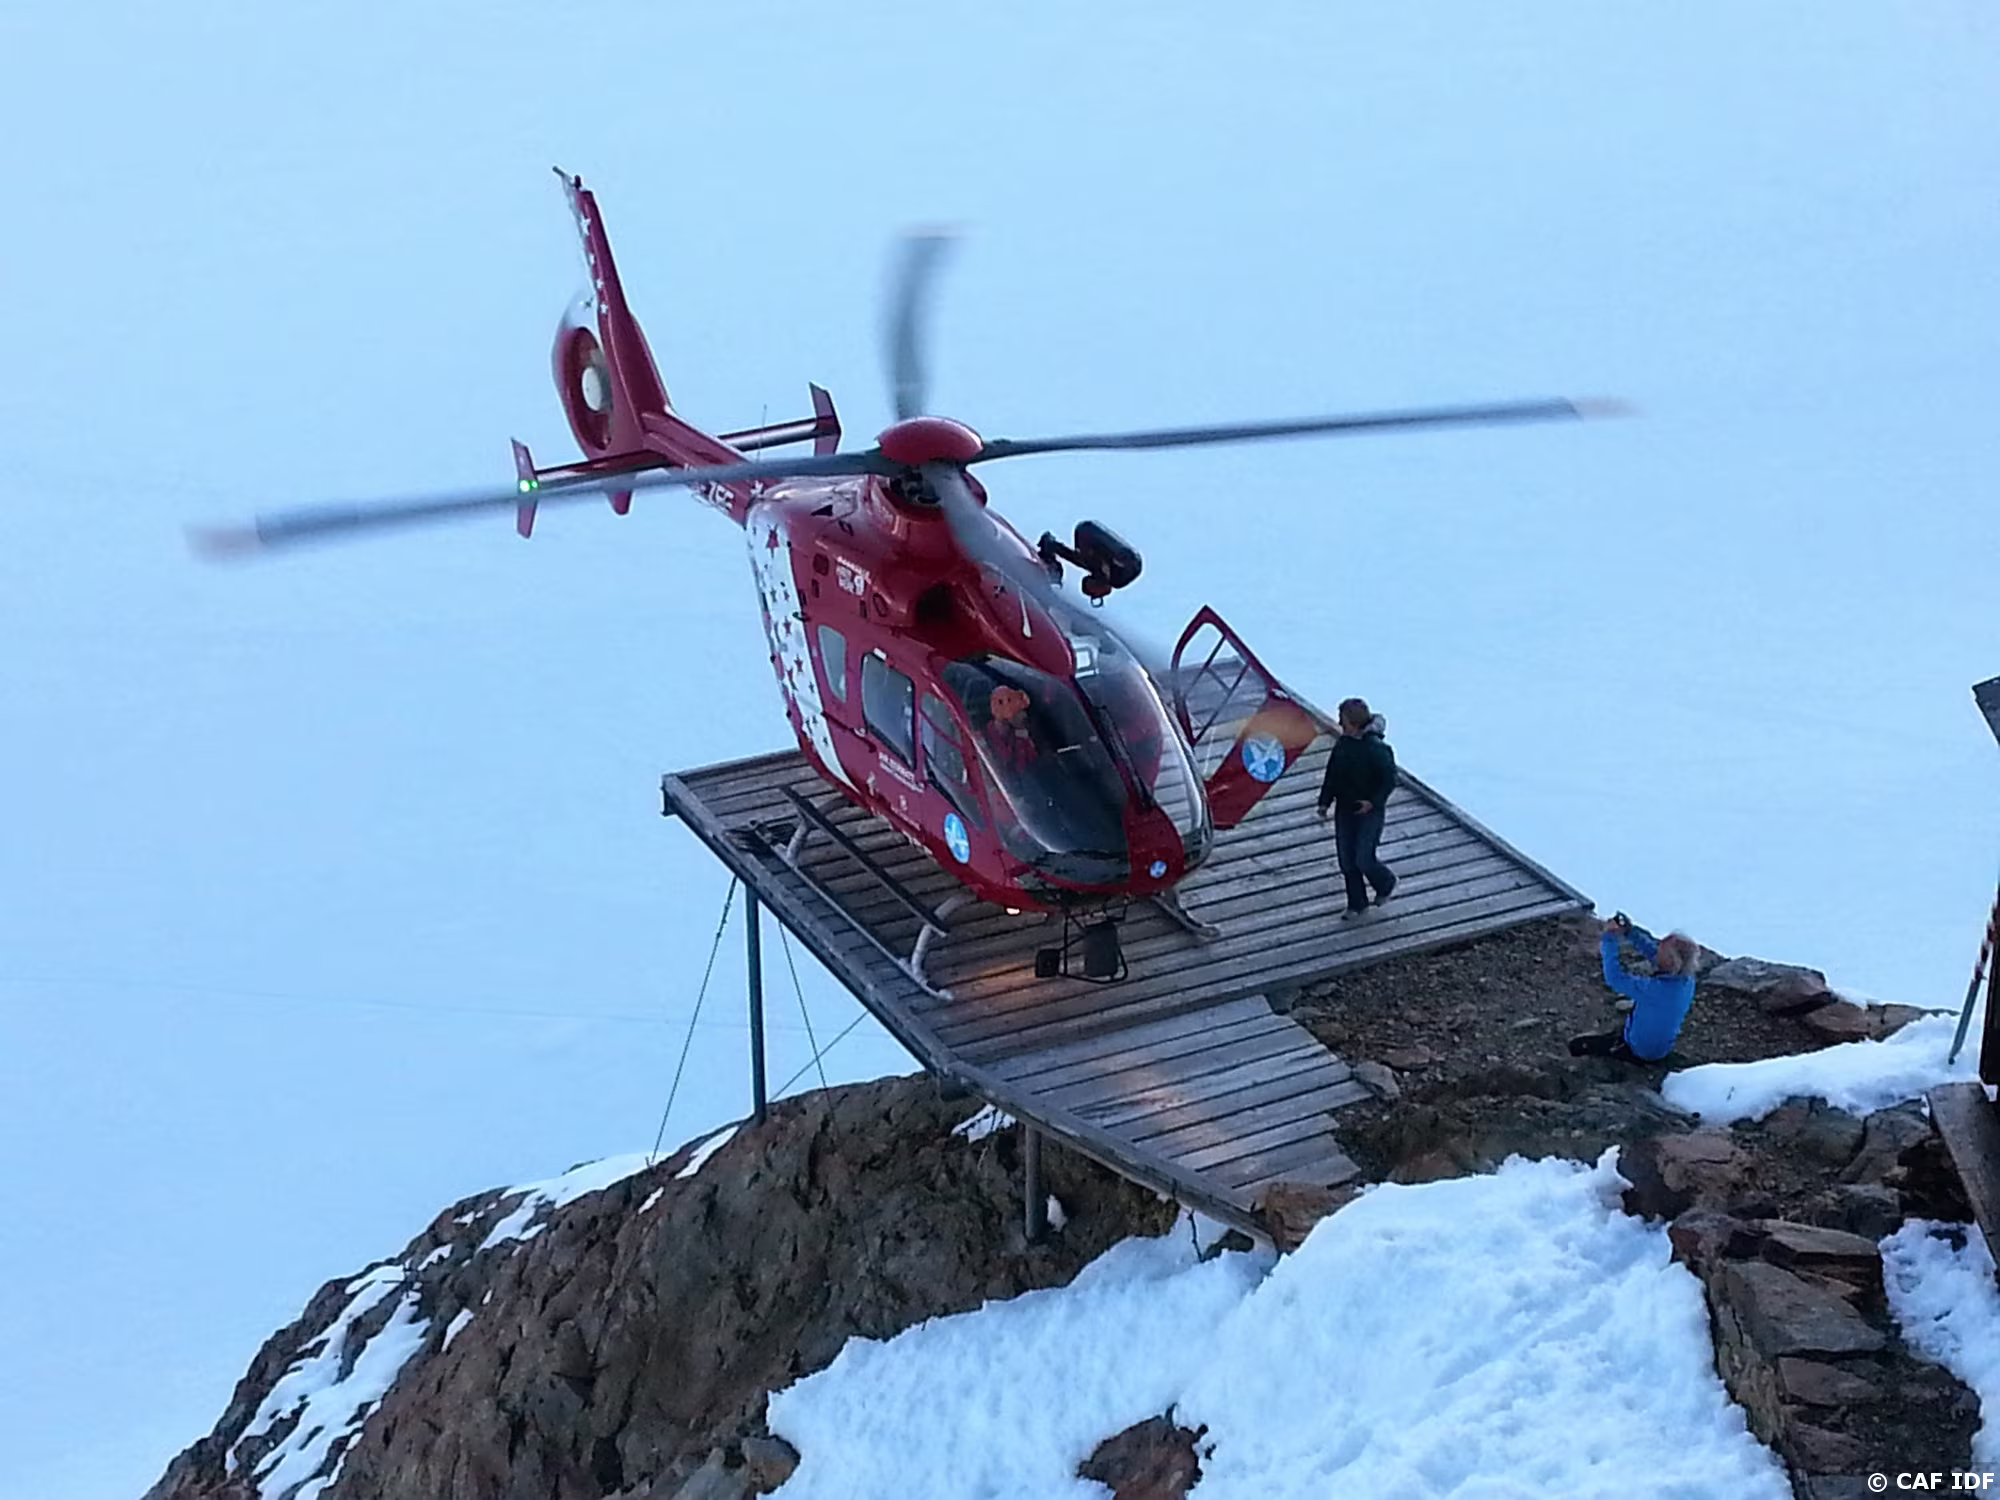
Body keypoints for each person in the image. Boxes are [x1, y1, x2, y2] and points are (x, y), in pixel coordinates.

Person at [1568, 915, 1699, 1062]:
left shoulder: (1655, 989)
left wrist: (1609, 939)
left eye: (1661, 951)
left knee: (1577, 1045)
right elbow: (1657, 957)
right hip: (1663, 1047)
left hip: (1640, 1050)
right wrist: (1630, 932)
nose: (1657, 952)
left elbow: (1615, 978)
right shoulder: (1687, 981)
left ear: (1670, 961)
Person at [1315, 698, 1397, 918]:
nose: (1340, 724)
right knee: (1347, 860)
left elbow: (1389, 779)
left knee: (1364, 858)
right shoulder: (1343, 745)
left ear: (1354, 722)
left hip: (1369, 812)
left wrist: (1373, 802)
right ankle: (1357, 903)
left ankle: (1386, 882)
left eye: (1343, 720)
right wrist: (1324, 801)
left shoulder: (1376, 749)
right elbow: (1332, 775)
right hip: (1345, 809)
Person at [982, 684, 1039, 773]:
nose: (1023, 715)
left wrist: (1020, 729)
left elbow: (1033, 759)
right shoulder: (985, 737)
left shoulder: (1019, 731)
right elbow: (1004, 761)